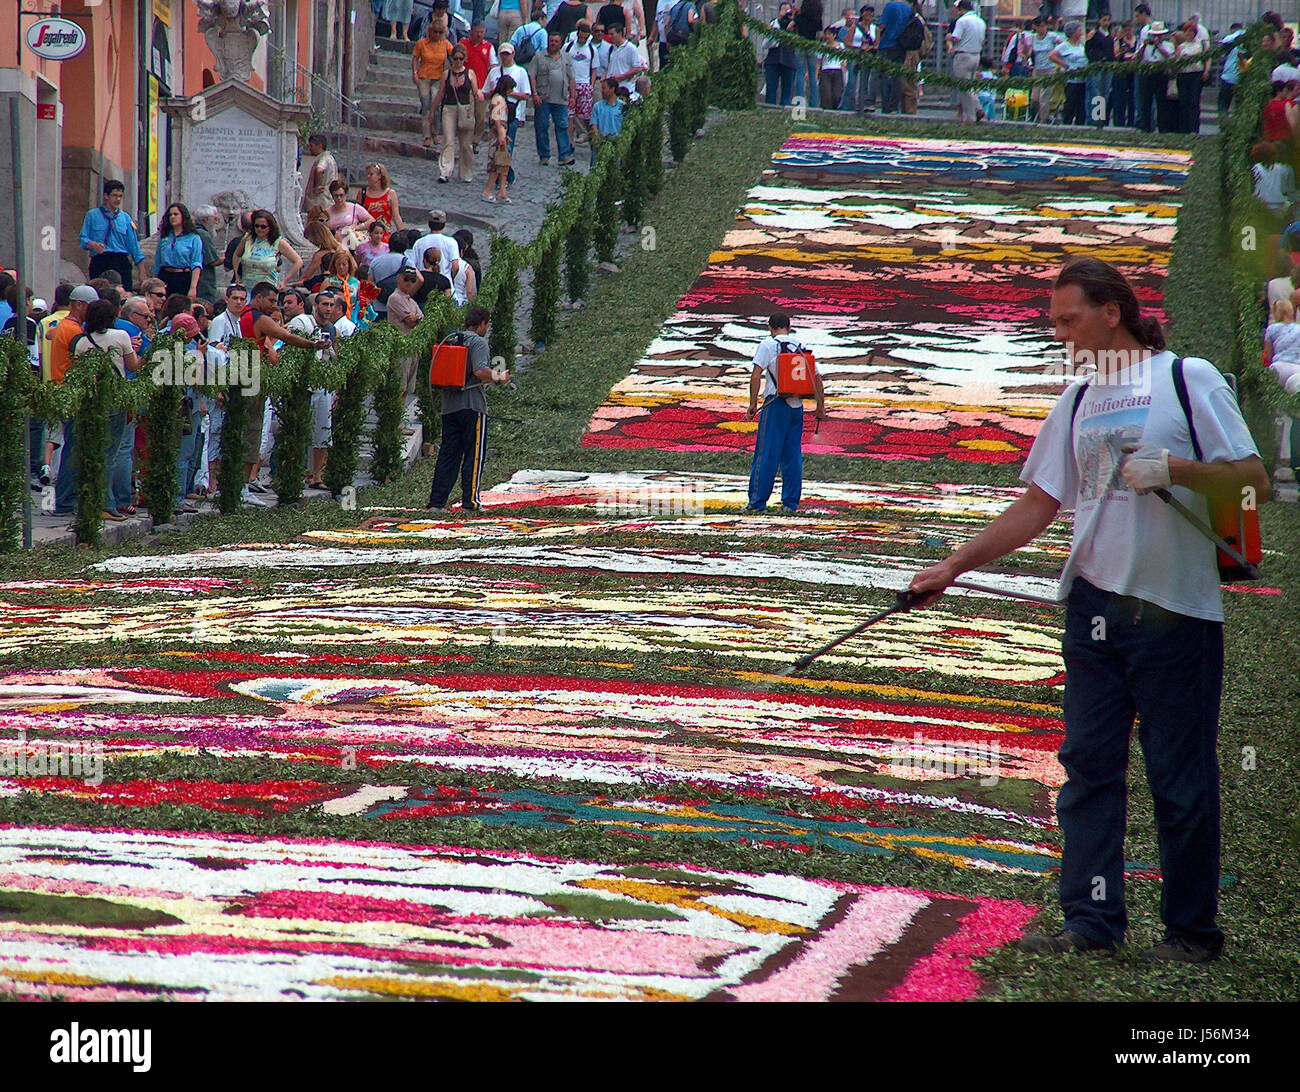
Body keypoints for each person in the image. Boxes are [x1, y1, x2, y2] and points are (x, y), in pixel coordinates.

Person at [910, 257, 1269, 963]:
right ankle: (1092, 924)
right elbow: (1039, 505)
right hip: (1095, 608)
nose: (1062, 334)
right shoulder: (1076, 400)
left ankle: (1193, 935)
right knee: (1088, 771)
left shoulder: (1184, 379)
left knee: (1180, 777)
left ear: (1114, 311)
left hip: (1175, 611)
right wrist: (953, 565)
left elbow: (1253, 481)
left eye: (1069, 320)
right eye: (1054, 324)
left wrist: (1176, 470)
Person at [427, 305, 511, 513]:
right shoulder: (478, 342)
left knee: (448, 454)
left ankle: (436, 503)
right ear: (482, 323)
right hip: (472, 406)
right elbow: (480, 370)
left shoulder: (453, 338)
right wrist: (501, 377)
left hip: (449, 407)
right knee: (474, 456)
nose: (487, 328)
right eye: (488, 324)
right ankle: (470, 503)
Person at [742, 313, 827, 514]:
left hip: (775, 405)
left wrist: (753, 404)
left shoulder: (768, 345)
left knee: (767, 454)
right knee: (792, 456)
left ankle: (757, 502)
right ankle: (790, 503)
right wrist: (820, 407)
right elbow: (817, 378)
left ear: (770, 327)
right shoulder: (801, 346)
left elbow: (756, 375)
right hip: (797, 407)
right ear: (789, 327)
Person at [70, 297, 141, 522]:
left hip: (91, 402)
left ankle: (90, 502)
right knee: (110, 454)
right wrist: (140, 353)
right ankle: (106, 504)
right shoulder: (120, 336)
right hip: (115, 400)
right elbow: (133, 366)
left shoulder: (82, 342)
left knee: (93, 453)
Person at [78, 179, 145, 289]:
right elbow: (82, 238)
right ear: (106, 196)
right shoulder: (92, 215)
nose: (118, 199)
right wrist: (92, 244)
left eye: (120, 196)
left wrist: (141, 270)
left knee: (123, 293)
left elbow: (134, 245)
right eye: (114, 195)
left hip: (121, 260)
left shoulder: (125, 218)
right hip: (100, 259)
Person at [432, 44, 483, 182]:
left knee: (466, 144)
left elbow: (475, 92)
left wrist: (479, 97)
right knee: (448, 140)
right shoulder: (446, 74)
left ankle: (466, 173)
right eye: (455, 58)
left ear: (464, 59)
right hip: (449, 108)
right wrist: (433, 110)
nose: (458, 61)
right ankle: (445, 171)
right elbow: (441, 93)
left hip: (465, 109)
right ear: (452, 59)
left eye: (461, 59)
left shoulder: (470, 74)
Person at [485, 43, 532, 186]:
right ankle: (503, 174)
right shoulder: (494, 72)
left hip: (512, 114)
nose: (505, 57)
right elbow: (485, 92)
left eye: (508, 54)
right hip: (497, 113)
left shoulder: (520, 72)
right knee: (498, 146)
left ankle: (503, 176)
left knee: (506, 147)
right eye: (502, 54)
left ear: (513, 55)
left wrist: (512, 94)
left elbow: (526, 95)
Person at [529, 31, 576, 166]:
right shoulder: (539, 57)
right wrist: (535, 94)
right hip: (543, 98)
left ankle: (564, 155)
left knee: (562, 125)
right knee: (542, 126)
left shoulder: (566, 58)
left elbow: (571, 78)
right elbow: (532, 75)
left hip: (561, 98)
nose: (553, 43)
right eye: (551, 41)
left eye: (556, 41)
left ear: (560, 43)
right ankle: (544, 155)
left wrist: (572, 96)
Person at [234, 210, 303, 291]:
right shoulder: (247, 238)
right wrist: (237, 276)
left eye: (263, 227)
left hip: (267, 289)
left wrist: (285, 281)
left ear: (270, 227)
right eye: (257, 226)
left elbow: (298, 261)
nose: (259, 229)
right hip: (247, 287)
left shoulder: (278, 242)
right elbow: (236, 255)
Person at [413, 18, 456, 149]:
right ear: (430, 32)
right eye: (435, 32)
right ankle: (426, 136)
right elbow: (415, 58)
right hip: (424, 77)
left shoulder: (445, 44)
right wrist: (415, 72)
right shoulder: (422, 44)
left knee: (436, 105)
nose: (437, 35)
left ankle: (435, 132)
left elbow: (454, 54)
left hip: (438, 78)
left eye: (439, 32)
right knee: (426, 104)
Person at [153, 203, 204, 300]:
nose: (172, 217)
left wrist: (193, 287)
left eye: (176, 214)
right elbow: (158, 260)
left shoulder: (193, 238)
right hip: (165, 276)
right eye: (170, 215)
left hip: (182, 277)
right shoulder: (165, 236)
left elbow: (196, 263)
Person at [947, 0, 986, 125]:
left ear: (961, 9)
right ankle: (978, 109)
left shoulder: (962, 21)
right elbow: (983, 41)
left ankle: (970, 118)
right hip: (976, 55)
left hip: (963, 55)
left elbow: (956, 38)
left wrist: (949, 38)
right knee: (971, 87)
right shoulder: (981, 21)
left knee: (964, 88)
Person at [463, 22, 498, 149]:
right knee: (468, 115)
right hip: (466, 87)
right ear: (472, 31)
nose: (479, 35)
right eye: (477, 32)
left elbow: (493, 67)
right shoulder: (464, 44)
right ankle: (467, 140)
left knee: (481, 117)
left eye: (482, 32)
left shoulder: (488, 47)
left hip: (482, 87)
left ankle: (475, 141)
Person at [873, 0, 911, 114]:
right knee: (897, 77)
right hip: (901, 46)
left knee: (884, 76)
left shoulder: (890, 6)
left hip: (887, 44)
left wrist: (877, 40)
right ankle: (895, 106)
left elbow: (882, 25)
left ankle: (886, 106)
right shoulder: (908, 8)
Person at [1049, 21, 1089, 126]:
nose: (1081, 32)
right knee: (1070, 102)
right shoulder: (1064, 46)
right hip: (1072, 80)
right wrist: (1066, 66)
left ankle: (1080, 124)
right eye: (1079, 30)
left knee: (1081, 104)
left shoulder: (1081, 45)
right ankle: (1067, 122)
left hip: (1083, 79)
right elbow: (1052, 56)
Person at [355, 163, 405, 239]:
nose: (368, 177)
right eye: (367, 174)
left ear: (379, 176)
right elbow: (357, 215)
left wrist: (402, 234)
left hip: (384, 235)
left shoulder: (390, 194)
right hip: (366, 236)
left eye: (371, 174)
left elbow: (396, 217)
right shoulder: (362, 193)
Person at [764, 4, 798, 107]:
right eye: (784, 9)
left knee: (787, 89)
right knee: (771, 88)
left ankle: (785, 108)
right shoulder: (774, 23)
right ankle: (770, 108)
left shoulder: (795, 24)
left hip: (789, 60)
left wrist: (794, 19)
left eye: (788, 9)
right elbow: (765, 43)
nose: (786, 11)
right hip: (773, 59)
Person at [324, 182, 375, 249]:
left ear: (345, 195)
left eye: (341, 195)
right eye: (336, 196)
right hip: (335, 246)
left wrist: (357, 227)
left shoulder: (354, 207)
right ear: (332, 196)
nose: (339, 198)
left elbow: (372, 220)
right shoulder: (327, 212)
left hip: (353, 244)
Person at [1084, 14, 1114, 129]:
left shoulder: (1110, 36)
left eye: (1108, 20)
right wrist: (1094, 60)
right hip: (1097, 65)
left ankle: (1101, 118)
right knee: (1095, 92)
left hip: (1107, 66)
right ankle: (1094, 119)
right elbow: (1088, 49)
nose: (1106, 22)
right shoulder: (1094, 34)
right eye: (1104, 20)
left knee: (1104, 92)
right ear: (1099, 21)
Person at [301, 134, 339, 214]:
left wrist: (316, 186)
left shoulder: (324, 158)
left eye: (311, 145)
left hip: (320, 202)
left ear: (319, 146)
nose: (309, 148)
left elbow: (319, 170)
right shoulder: (330, 158)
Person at [604, 21, 646, 93]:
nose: (610, 37)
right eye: (609, 34)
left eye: (612, 34)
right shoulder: (611, 48)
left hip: (625, 88)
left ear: (620, 34)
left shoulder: (630, 48)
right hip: (611, 88)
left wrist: (621, 77)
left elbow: (637, 68)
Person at [1218, 22, 1245, 117]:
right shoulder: (1249, 39)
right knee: (1241, 105)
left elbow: (1221, 56)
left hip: (1228, 76)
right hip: (1243, 77)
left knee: (1223, 104)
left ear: (1232, 30)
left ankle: (1223, 123)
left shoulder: (1229, 39)